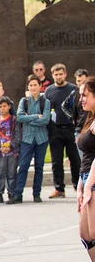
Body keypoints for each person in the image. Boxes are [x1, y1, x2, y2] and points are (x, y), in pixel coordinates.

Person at [10, 74, 51, 204]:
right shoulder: (24, 101)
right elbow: (20, 117)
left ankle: (36, 193)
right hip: (27, 138)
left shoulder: (46, 101)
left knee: (39, 167)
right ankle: (18, 194)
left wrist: (30, 118)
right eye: (31, 85)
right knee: (23, 166)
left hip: (41, 138)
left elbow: (45, 120)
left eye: (35, 85)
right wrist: (35, 117)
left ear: (40, 86)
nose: (33, 87)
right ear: (28, 87)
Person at [44, 63, 79, 198]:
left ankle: (77, 186)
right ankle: (59, 189)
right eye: (56, 74)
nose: (58, 77)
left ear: (65, 74)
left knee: (75, 160)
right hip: (55, 130)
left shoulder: (73, 89)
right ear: (53, 76)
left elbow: (78, 108)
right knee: (56, 161)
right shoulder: (49, 91)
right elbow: (46, 110)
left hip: (71, 128)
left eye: (60, 74)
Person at [75, 77, 95, 262]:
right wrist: (81, 185)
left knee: (94, 232)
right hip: (87, 176)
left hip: (94, 179)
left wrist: (88, 184)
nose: (81, 99)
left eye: (85, 95)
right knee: (86, 234)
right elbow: (86, 156)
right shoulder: (90, 120)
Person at [0, 97, 21, 204]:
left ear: (9, 106)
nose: (2, 108)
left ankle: (12, 194)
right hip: (0, 152)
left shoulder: (14, 120)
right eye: (0, 106)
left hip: (12, 152)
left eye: (4, 106)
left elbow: (17, 135)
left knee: (12, 173)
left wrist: (11, 147)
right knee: (0, 173)